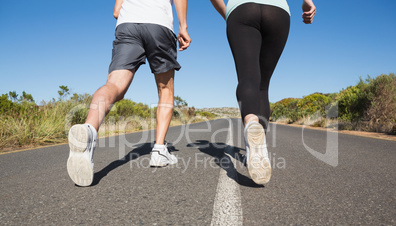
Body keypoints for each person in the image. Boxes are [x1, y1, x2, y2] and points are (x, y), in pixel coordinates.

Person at [67, 0, 191, 187]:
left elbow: (117, 11)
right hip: (159, 23)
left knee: (114, 85)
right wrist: (183, 26)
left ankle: (89, 129)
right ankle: (159, 150)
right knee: (165, 90)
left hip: (128, 24)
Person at [210, 0, 316, 184]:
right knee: (263, 85)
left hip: (242, 9)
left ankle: (251, 123)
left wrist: (228, 13)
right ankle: (260, 149)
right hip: (277, 11)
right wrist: (307, 3)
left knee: (248, 77)